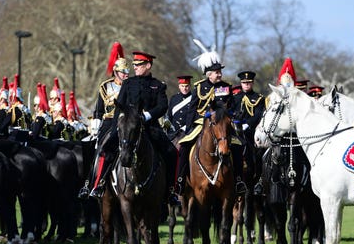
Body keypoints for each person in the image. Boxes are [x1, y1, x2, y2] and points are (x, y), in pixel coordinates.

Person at [174, 39, 247, 198]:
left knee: (237, 146)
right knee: (184, 147)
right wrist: (188, 128)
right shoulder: (199, 87)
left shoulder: (226, 86)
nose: (219, 74)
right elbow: (191, 109)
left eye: (220, 71)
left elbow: (232, 107)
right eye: (216, 72)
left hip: (222, 125)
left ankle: (239, 181)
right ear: (208, 73)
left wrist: (234, 117)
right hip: (201, 123)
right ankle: (180, 181)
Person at [109, 51, 176, 201]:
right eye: (134, 65)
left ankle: (171, 191)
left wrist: (147, 116)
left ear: (148, 65)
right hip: (128, 129)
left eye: (138, 65)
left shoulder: (157, 85)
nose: (135, 67)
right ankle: (98, 184)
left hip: (150, 128)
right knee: (104, 149)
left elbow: (163, 106)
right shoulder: (128, 83)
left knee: (172, 152)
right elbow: (119, 107)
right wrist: (114, 130)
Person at [79, 42, 128, 198]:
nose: (126, 74)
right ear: (116, 71)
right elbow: (99, 110)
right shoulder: (105, 87)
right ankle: (92, 183)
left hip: (125, 123)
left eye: (127, 71)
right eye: (123, 72)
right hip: (108, 123)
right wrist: (95, 127)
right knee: (99, 150)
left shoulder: (131, 86)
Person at [232, 70, 265, 195]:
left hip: (251, 132)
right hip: (235, 132)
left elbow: (258, 115)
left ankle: (259, 181)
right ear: (241, 83)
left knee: (259, 154)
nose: (246, 85)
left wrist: (248, 125)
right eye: (244, 83)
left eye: (249, 83)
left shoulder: (259, 98)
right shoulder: (235, 98)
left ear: (252, 83)